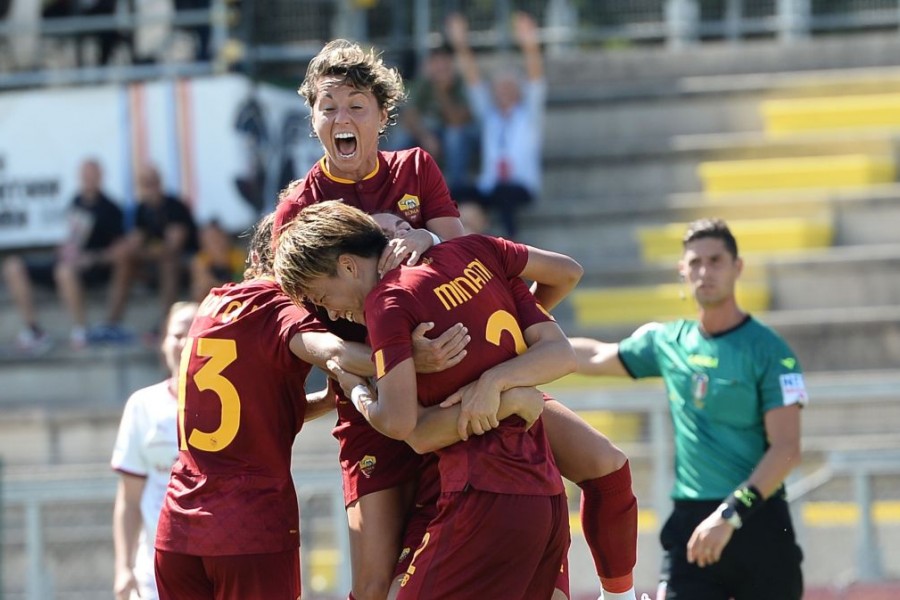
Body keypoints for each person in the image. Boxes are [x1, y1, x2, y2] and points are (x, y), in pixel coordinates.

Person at [275, 38, 640, 600]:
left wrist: (501, 362)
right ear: (312, 118)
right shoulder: (300, 207)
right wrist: (385, 363)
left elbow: (467, 265)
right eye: (328, 106)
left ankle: (624, 590)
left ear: (381, 114)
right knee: (373, 586)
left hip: (459, 379)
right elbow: (300, 330)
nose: (340, 117)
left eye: (355, 105)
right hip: (386, 393)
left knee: (606, 466)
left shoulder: (416, 168)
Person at [275, 200, 579, 598]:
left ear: (349, 266)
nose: (326, 309)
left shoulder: (387, 304)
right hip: (545, 491)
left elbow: (408, 429)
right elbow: (562, 338)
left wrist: (354, 388)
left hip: (484, 494)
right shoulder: (473, 251)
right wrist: (503, 386)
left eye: (320, 293)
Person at [570, 218, 807, 600]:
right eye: (695, 263)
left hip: (757, 521)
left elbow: (788, 449)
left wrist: (729, 514)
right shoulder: (669, 341)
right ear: (682, 271)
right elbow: (597, 355)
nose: (705, 272)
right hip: (691, 523)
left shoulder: (770, 351)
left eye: (715, 261)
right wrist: (528, 335)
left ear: (738, 268)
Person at [111, 300, 198, 600]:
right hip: (152, 573)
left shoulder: (228, 409)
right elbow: (129, 499)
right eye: (176, 334)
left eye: (194, 333)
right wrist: (123, 568)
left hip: (213, 566)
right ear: (163, 342)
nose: (184, 342)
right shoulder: (142, 405)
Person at [2, 158, 126, 351]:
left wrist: (92, 258)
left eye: (92, 174)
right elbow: (72, 237)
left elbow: (120, 250)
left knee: (64, 271)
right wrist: (64, 249)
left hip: (91, 269)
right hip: (67, 261)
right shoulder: (76, 201)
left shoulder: (111, 209)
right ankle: (34, 330)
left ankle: (81, 331)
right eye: (85, 174)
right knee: (13, 265)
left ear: (100, 177)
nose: (88, 179)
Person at [447, 11, 546, 239]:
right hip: (490, 185)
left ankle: (512, 247)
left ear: (518, 91)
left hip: (520, 186)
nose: (503, 92)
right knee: (455, 191)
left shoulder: (528, 115)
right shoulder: (490, 116)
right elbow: (472, 80)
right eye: (499, 87)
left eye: (509, 86)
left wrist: (530, 45)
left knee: (506, 196)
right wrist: (461, 45)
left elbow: (536, 80)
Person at [93, 164, 199, 343]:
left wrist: (144, 250)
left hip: (185, 264)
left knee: (168, 263)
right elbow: (135, 242)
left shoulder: (175, 207)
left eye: (152, 182)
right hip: (153, 264)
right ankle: (112, 322)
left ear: (159, 182)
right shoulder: (141, 210)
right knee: (125, 260)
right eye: (144, 183)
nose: (149, 187)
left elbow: (173, 247)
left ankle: (166, 323)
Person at [399, 43, 479, 192]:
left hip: (460, 133)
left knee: (454, 135)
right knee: (402, 135)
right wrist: (425, 137)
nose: (440, 67)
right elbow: (409, 114)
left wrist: (441, 92)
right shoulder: (423, 82)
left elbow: (456, 120)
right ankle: (393, 182)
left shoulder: (461, 83)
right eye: (435, 62)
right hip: (430, 132)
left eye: (444, 61)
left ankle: (456, 188)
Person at [189, 220, 246, 301]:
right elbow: (201, 288)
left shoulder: (238, 256)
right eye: (211, 239)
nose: (216, 242)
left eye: (218, 237)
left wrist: (213, 284)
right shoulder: (200, 260)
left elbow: (241, 285)